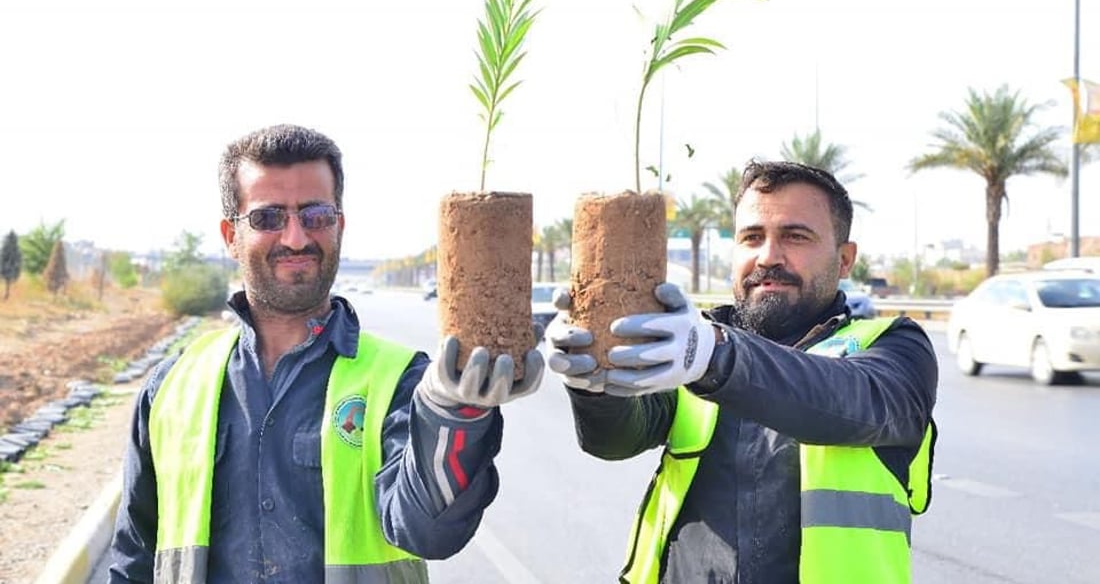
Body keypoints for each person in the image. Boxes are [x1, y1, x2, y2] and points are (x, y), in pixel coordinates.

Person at [107, 123, 544, 583]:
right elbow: (134, 558)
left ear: (339, 224)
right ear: (229, 235)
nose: (295, 237)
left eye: (314, 214)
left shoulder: (402, 382)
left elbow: (428, 533)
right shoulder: (171, 389)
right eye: (267, 217)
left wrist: (456, 414)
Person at [546, 159, 938, 584]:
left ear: (844, 260)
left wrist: (713, 357)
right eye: (752, 237)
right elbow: (616, 439)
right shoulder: (691, 343)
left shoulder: (892, 346)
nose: (768, 256)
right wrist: (594, 384)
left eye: (795, 236)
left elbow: (860, 402)